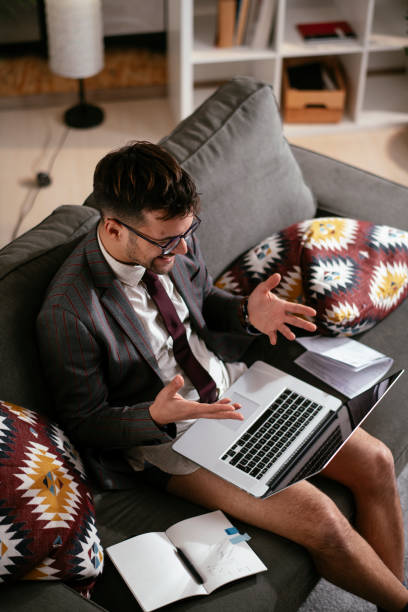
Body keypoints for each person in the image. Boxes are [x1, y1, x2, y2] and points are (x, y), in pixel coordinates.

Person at [36, 141, 407, 612]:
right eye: (168, 240)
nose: (185, 247)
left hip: (233, 384)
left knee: (374, 459)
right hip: (173, 440)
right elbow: (83, 420)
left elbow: (201, 304)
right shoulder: (68, 313)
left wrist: (250, 315)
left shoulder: (173, 243)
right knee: (324, 521)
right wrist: (154, 417)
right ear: (113, 227)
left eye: (188, 232)